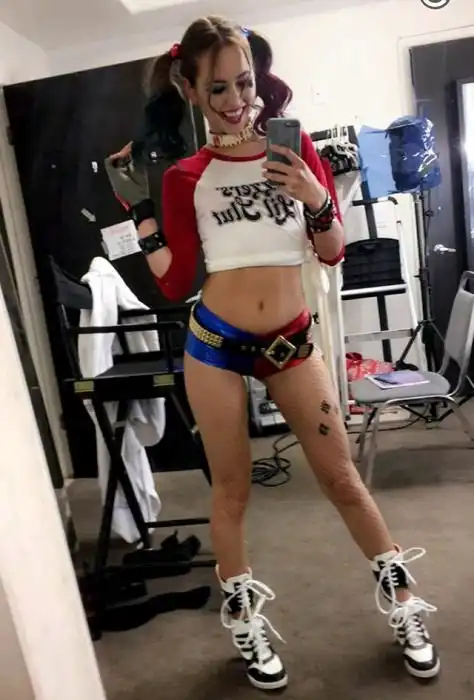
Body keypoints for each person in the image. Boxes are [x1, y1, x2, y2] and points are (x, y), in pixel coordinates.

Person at [105, 16, 439, 690]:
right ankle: (245, 620)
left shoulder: (296, 149)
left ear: (258, 79)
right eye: (218, 87)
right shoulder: (186, 177)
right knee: (231, 491)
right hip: (216, 346)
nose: (236, 99)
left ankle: (405, 603)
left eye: (245, 82)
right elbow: (174, 280)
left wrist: (316, 198)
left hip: (292, 342)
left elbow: (332, 251)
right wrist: (140, 211)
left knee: (342, 479)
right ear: (192, 91)